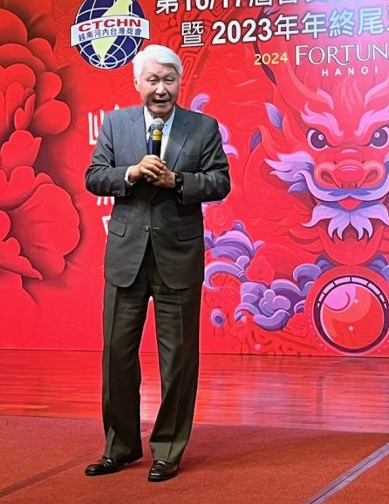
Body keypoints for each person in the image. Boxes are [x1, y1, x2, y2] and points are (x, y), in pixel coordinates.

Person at [84, 44, 231, 482]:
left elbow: (220, 181)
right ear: (137, 83)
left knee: (178, 360)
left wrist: (177, 180)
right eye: (152, 80)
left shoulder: (203, 127)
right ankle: (120, 447)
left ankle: (167, 449)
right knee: (117, 355)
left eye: (169, 79)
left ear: (179, 82)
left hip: (178, 258)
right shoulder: (116, 124)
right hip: (126, 258)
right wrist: (130, 173)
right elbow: (95, 176)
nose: (161, 89)